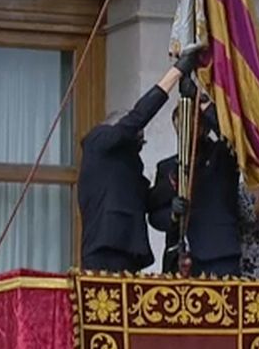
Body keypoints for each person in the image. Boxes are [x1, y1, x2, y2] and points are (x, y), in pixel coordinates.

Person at [78, 46, 204, 273]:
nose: (139, 145)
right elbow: (137, 118)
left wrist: (179, 177)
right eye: (137, 139)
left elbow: (145, 200)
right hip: (105, 248)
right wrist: (175, 73)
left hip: (129, 251)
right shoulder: (97, 141)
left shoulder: (128, 166)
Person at [149, 101, 242, 277]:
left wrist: (206, 108)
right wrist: (173, 213)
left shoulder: (222, 155)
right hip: (177, 258)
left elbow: (235, 138)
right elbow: (154, 214)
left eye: (192, 124)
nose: (186, 131)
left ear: (204, 128)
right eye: (180, 126)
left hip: (217, 255)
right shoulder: (167, 167)